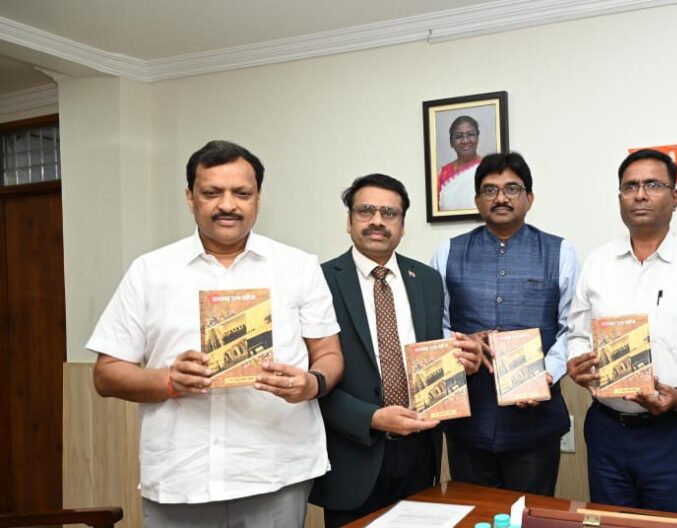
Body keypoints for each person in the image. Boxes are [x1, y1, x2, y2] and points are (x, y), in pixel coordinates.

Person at [88, 140, 343, 527]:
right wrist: (169, 380)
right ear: (190, 198)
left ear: (258, 198)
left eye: (242, 193)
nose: (228, 205)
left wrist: (311, 383)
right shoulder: (149, 271)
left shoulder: (299, 266)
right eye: (211, 193)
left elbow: (329, 354)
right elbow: (106, 374)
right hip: (182, 478)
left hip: (275, 472)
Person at [310, 173, 485, 527]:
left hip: (419, 452)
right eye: (366, 211)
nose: (377, 221)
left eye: (389, 213)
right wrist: (371, 418)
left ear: (402, 226)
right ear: (349, 221)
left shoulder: (428, 280)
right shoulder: (319, 280)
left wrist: (462, 366)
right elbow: (312, 379)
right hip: (353, 454)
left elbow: (433, 359)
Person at [565, 149, 677, 514]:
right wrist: (577, 363)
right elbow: (578, 335)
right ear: (620, 197)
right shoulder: (598, 262)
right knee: (611, 522)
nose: (640, 194)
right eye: (630, 186)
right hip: (606, 431)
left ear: (674, 197)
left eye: (653, 185)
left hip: (674, 432)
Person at [431, 152, 580, 496]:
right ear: (477, 200)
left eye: (512, 189)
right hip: (467, 422)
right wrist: (458, 349)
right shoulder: (448, 252)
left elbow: (572, 327)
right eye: (490, 190)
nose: (501, 198)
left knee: (528, 515)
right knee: (473, 515)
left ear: (530, 197)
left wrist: (548, 373)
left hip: (536, 425)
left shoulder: (561, 252)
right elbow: (436, 322)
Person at [437, 115, 483, 211]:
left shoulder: (487, 167)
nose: (465, 141)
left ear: (477, 138)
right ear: (451, 142)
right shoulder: (443, 174)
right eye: (458, 136)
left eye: (470, 134)